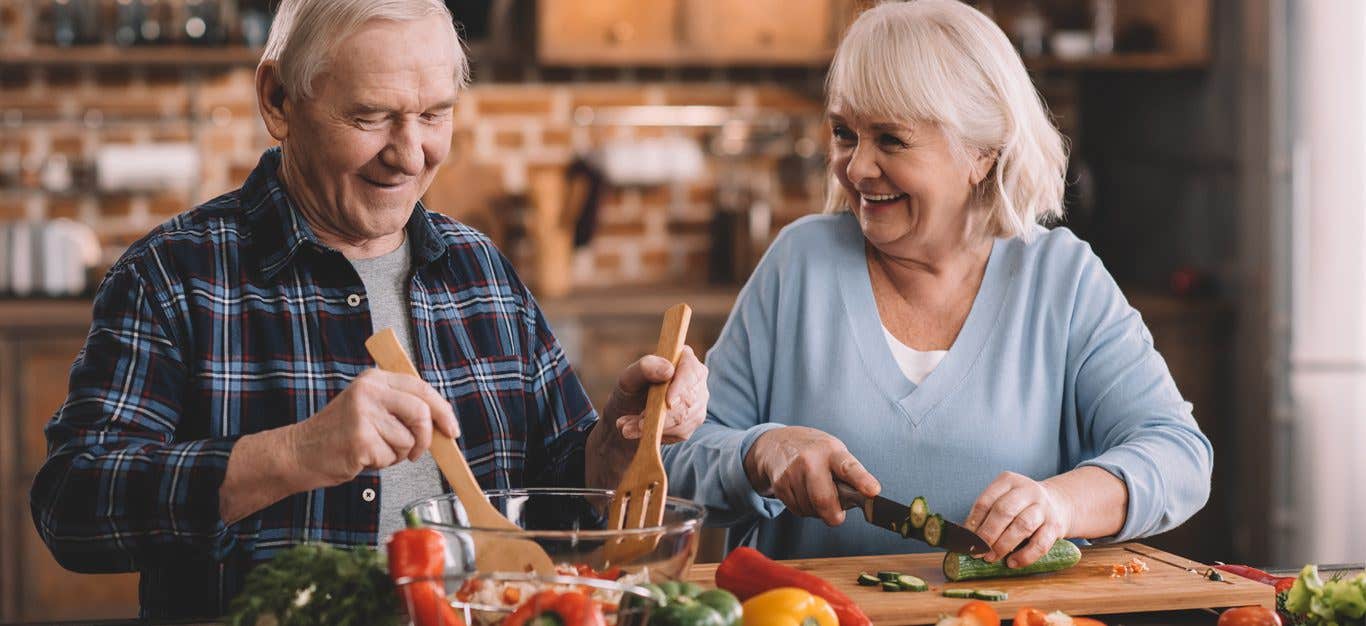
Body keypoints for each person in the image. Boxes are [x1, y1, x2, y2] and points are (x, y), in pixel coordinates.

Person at [29, 0, 708, 618]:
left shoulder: (482, 272)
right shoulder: (172, 276)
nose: (409, 155)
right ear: (278, 100)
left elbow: (556, 492)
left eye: (434, 114)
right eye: (370, 117)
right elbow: (73, 507)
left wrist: (615, 446)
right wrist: (294, 453)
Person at [663, 0, 1212, 566]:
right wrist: (758, 451)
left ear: (982, 153)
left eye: (891, 141)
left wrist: (1059, 504)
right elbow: (674, 464)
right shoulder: (798, 264)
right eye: (845, 133)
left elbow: (1179, 457)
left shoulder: (1061, 280)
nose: (856, 168)